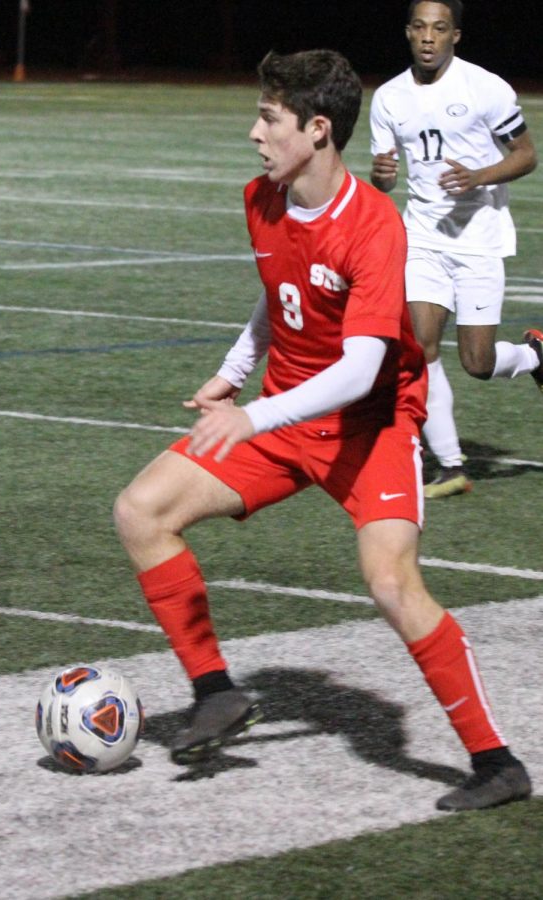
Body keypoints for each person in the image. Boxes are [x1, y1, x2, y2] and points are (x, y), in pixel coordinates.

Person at [114, 48, 532, 811]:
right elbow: (277, 294)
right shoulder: (262, 198)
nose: (253, 133)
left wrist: (250, 415)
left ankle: (496, 762)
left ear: (316, 129)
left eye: (268, 119)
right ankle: (214, 693)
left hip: (369, 428)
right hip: (281, 419)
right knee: (141, 511)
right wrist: (233, 371)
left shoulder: (374, 226)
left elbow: (361, 368)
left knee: (391, 584)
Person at [370, 0, 542, 499]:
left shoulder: (485, 88)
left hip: (479, 240)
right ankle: (450, 466)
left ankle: (534, 355)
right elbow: (382, 175)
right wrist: (381, 178)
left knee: (477, 363)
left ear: (455, 37)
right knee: (419, 348)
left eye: (440, 29)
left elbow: (527, 155)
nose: (429, 37)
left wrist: (479, 177)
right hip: (422, 236)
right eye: (420, 28)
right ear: (407, 32)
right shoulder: (388, 98)